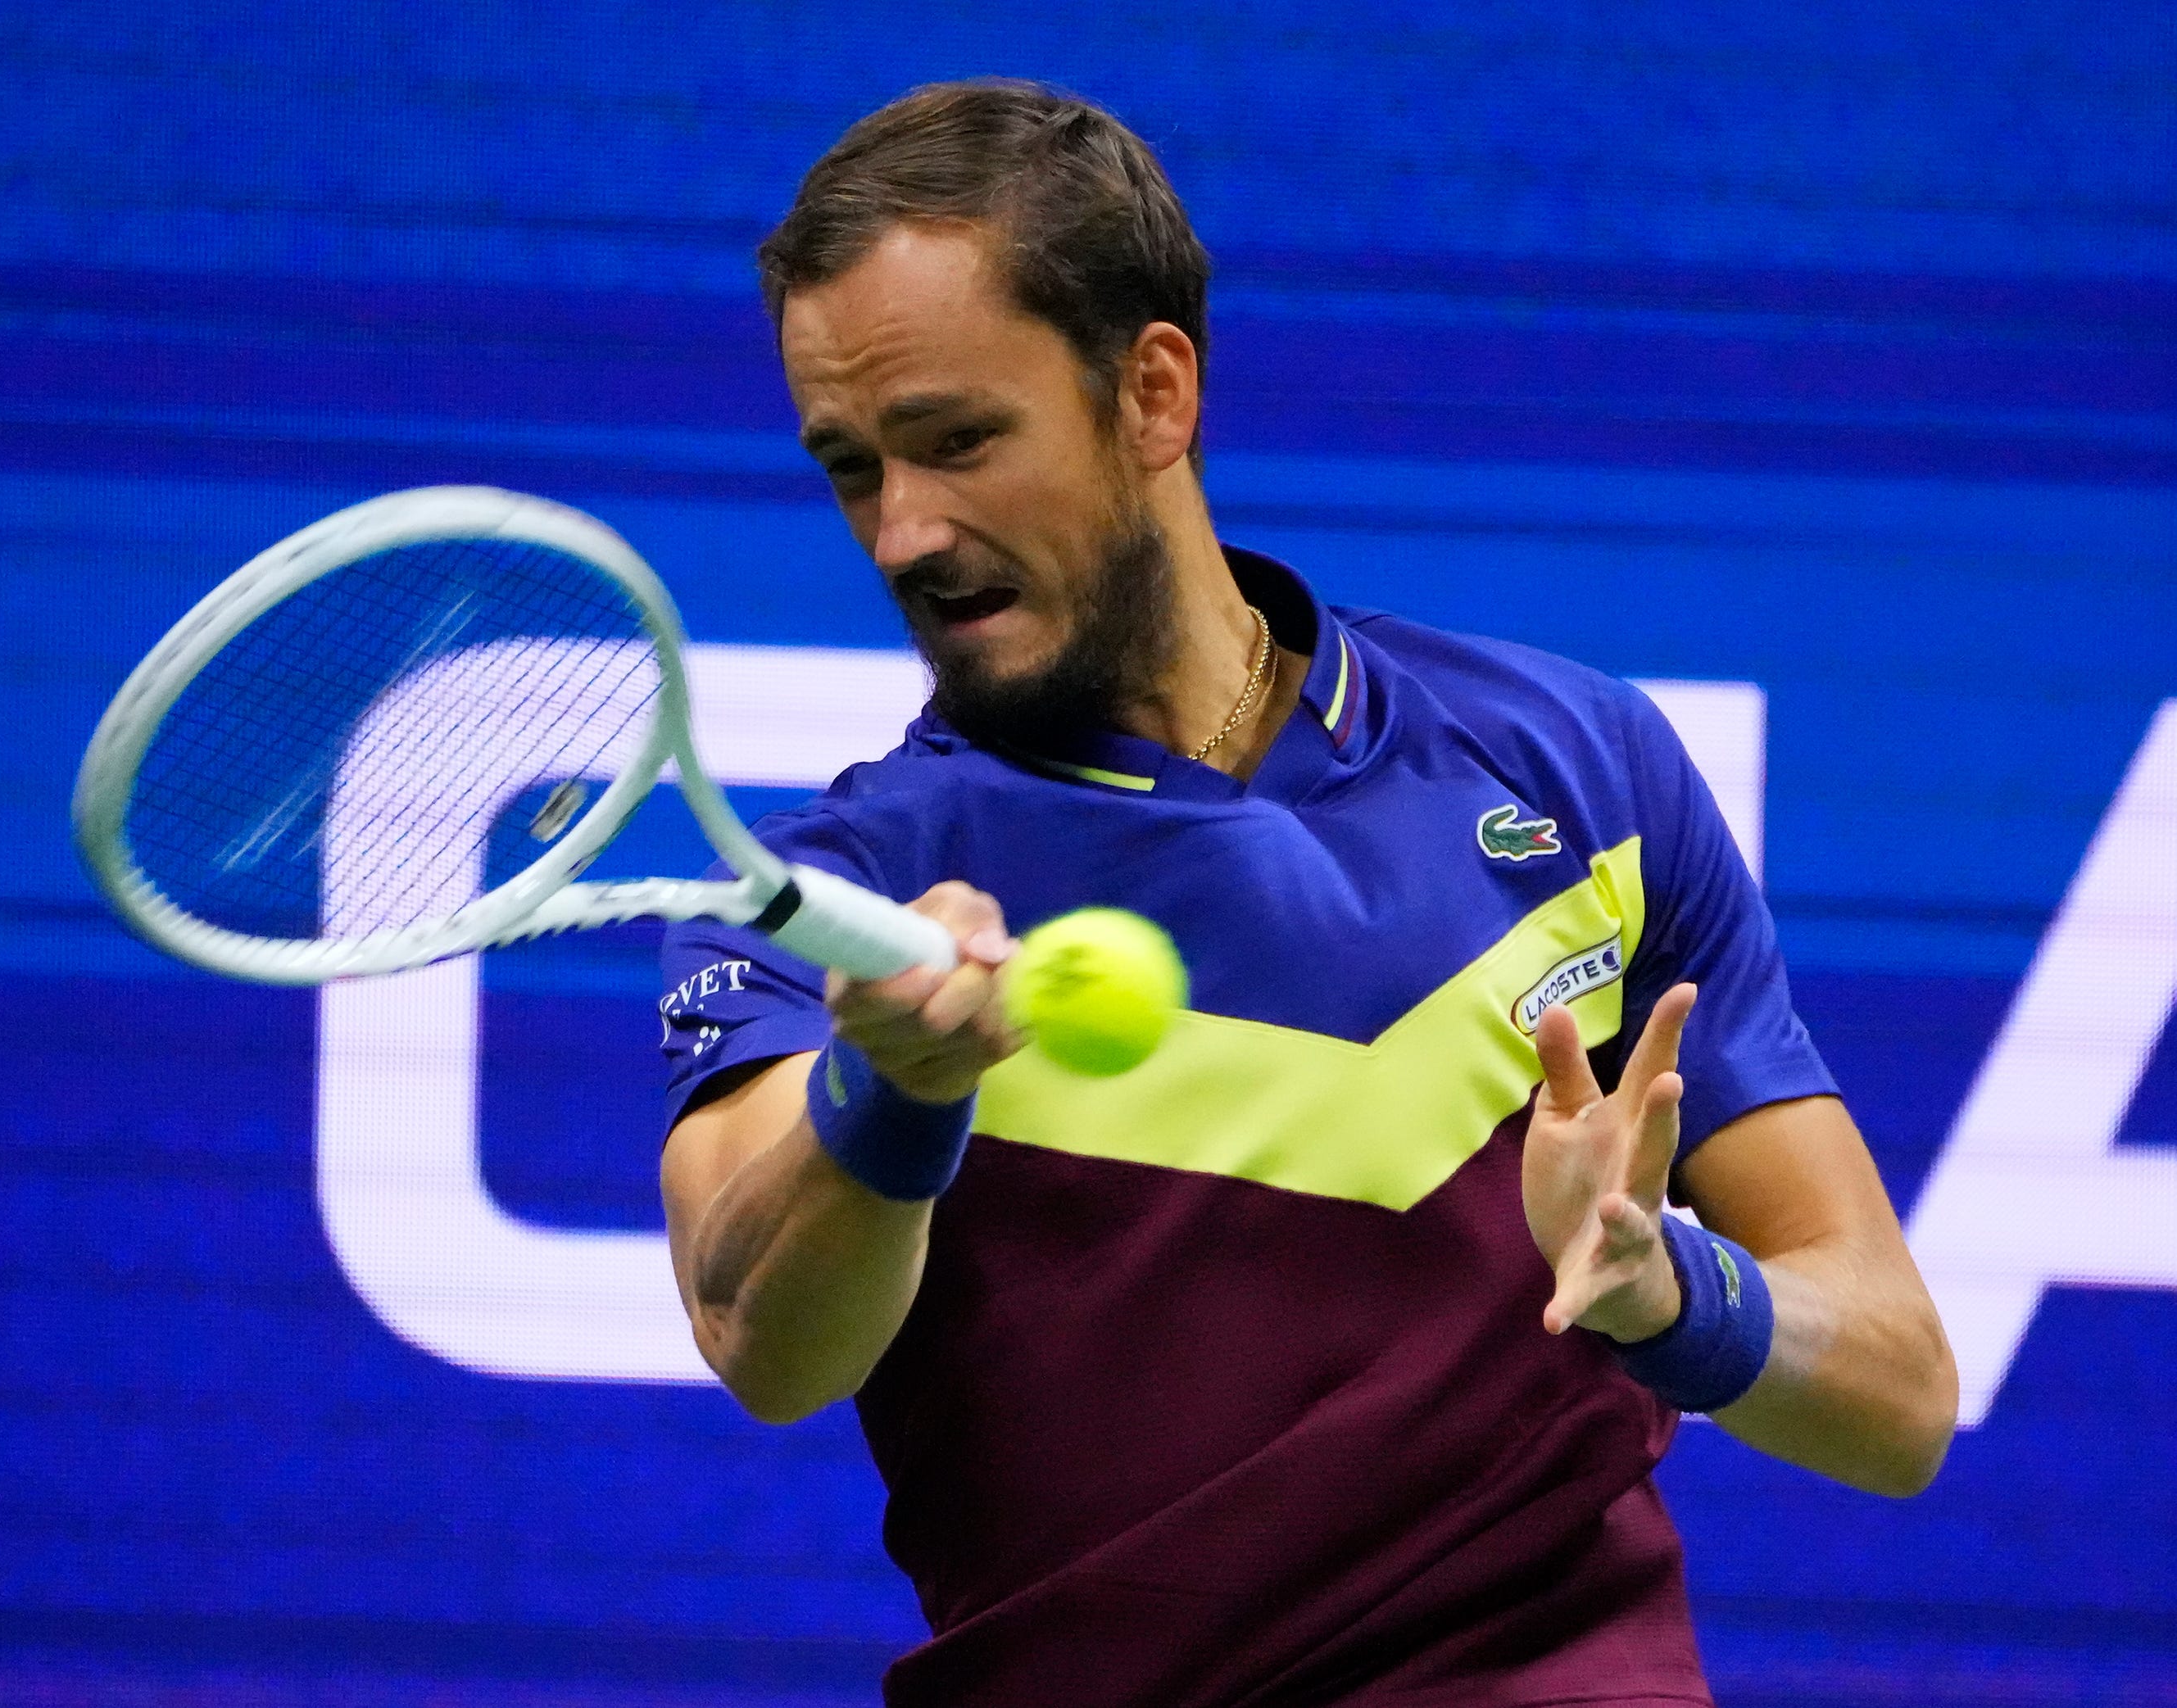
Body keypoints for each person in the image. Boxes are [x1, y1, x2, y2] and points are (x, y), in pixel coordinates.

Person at [656, 79, 1957, 1706]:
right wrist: (892, 1091)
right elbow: (762, 1338)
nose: (904, 530)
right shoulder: (846, 900)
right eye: (851, 467)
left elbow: (1898, 1388)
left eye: (957, 439)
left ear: (1151, 390)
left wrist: (1667, 1287)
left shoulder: (1571, 763)